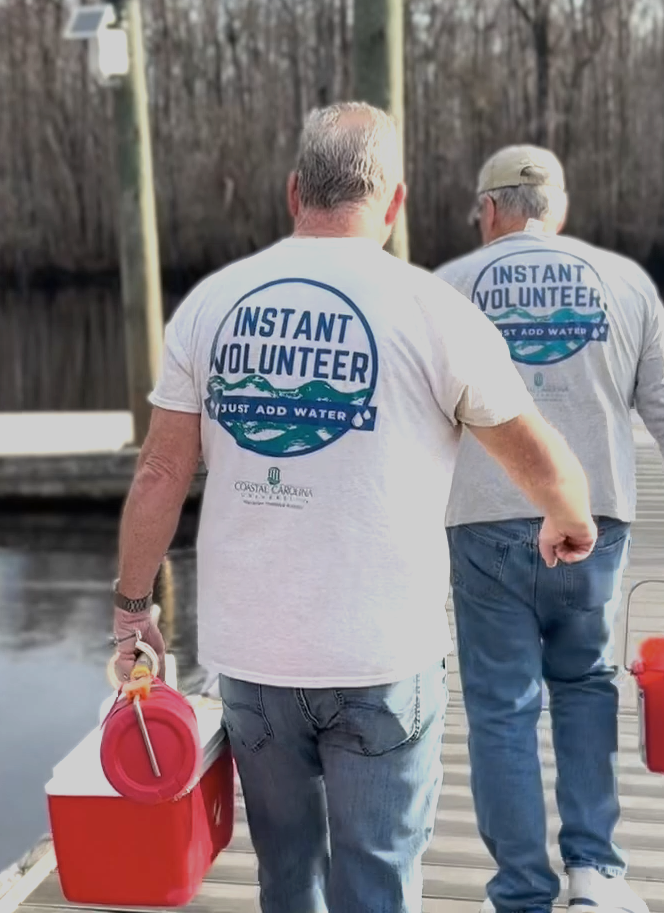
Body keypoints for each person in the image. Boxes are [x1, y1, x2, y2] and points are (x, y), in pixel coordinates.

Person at [110, 104, 598, 913]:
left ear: (294, 190)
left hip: (255, 662)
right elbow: (539, 460)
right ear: (395, 203)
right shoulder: (436, 310)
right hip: (382, 659)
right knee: (377, 882)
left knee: (288, 875)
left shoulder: (212, 304)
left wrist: (133, 609)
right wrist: (571, 517)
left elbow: (161, 471)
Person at [432, 146, 664, 913]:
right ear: (558, 209)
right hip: (594, 524)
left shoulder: (443, 290)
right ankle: (597, 876)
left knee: (502, 709)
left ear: (490, 211)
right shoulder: (625, 281)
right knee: (583, 687)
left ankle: (520, 892)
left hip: (483, 527)